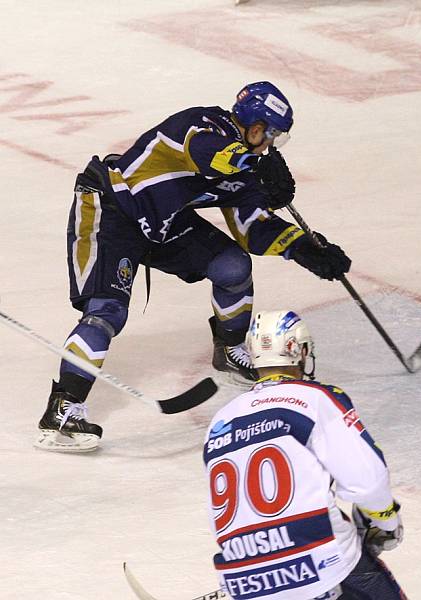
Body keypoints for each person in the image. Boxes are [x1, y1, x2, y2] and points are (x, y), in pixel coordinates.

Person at [35, 82, 351, 453]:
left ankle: (230, 349)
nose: (270, 144)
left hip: (163, 222)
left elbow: (252, 228)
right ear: (253, 125)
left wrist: (305, 249)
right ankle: (62, 410)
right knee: (106, 313)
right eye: (270, 134)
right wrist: (255, 169)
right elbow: (206, 154)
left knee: (232, 266)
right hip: (113, 209)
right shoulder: (202, 125)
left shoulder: (246, 169)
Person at [203, 310, 406, 600]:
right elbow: (367, 482)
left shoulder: (221, 419)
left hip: (242, 577)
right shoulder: (314, 398)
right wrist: (385, 521)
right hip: (322, 564)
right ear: (300, 350)